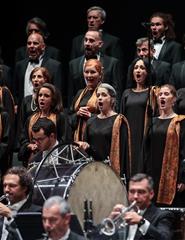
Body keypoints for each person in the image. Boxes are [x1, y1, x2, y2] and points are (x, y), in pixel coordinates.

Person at [77, 83, 131, 178]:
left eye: (104, 95)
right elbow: (86, 148)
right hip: (93, 170)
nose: (100, 98)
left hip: (110, 171)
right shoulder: (91, 121)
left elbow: (122, 154)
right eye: (98, 95)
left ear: (112, 99)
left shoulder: (118, 121)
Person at [143, 84, 185, 207]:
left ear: (174, 100)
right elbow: (146, 150)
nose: (162, 96)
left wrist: (183, 178)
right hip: (153, 172)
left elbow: (184, 151)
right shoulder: (153, 121)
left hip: (172, 176)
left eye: (166, 94)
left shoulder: (180, 121)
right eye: (160, 94)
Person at [106, 173, 174, 240]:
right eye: (132, 191)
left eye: (141, 192)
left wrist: (142, 222)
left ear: (151, 194)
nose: (135, 196)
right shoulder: (122, 214)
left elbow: (165, 238)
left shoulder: (163, 216)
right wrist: (109, 224)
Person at [120, 57, 158, 176]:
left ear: (148, 72)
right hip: (129, 137)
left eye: (142, 68)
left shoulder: (152, 92)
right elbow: (121, 118)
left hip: (144, 136)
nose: (138, 70)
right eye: (136, 68)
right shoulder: (126, 93)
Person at [18, 83, 71, 167]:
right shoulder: (31, 118)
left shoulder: (60, 117)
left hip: (55, 159)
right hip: (33, 159)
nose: (42, 98)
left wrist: (46, 146)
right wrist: (29, 145)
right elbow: (23, 139)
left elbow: (65, 139)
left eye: (46, 96)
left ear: (53, 100)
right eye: (40, 95)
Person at [68, 30, 123, 109]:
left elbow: (116, 92)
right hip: (80, 113)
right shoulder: (74, 64)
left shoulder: (112, 63)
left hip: (103, 112)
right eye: (85, 40)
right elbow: (71, 94)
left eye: (91, 41)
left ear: (100, 44)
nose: (87, 43)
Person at [13, 32, 64, 109]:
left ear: (43, 46)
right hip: (24, 111)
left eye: (35, 43)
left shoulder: (54, 66)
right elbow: (15, 90)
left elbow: (57, 92)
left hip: (46, 112)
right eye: (29, 43)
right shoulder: (20, 65)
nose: (31, 46)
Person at [0, 166, 41, 240]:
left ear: (24, 188)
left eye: (12, 186)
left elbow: (26, 237)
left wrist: (10, 215)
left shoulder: (36, 212)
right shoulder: (2, 212)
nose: (6, 190)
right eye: (4, 185)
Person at [69, 59, 102, 141]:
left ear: (100, 75)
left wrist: (91, 116)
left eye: (93, 72)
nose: (89, 75)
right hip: (78, 138)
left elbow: (109, 118)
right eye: (86, 72)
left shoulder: (104, 92)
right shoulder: (80, 93)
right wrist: (77, 114)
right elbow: (69, 117)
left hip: (96, 138)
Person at [18, 66, 52, 132]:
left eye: (39, 77)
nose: (35, 79)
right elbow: (21, 125)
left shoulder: (51, 98)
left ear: (46, 79)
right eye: (33, 77)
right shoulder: (26, 100)